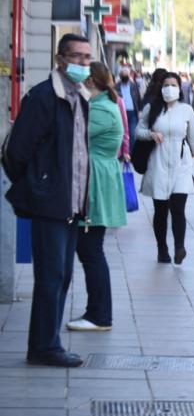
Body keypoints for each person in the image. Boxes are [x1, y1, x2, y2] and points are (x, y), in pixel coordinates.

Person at [3, 33, 92, 367]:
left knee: (63, 276)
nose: (83, 63)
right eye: (76, 57)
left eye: (87, 57)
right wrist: (39, 186)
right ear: (60, 59)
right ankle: (44, 346)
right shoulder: (44, 97)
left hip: (71, 205)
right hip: (51, 203)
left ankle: (48, 341)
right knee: (51, 276)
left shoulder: (80, 97)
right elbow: (15, 152)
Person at [68, 61, 127, 332]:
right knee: (90, 250)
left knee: (91, 251)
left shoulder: (101, 109)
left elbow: (71, 136)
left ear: (91, 81)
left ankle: (99, 315)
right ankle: (97, 313)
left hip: (95, 186)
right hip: (94, 182)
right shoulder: (102, 104)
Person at [136, 73, 194, 264]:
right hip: (157, 162)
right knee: (160, 210)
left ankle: (179, 247)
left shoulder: (186, 110)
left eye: (173, 84)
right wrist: (151, 134)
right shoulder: (152, 108)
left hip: (181, 163)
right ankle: (162, 249)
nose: (169, 88)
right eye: (166, 84)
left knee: (178, 208)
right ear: (160, 87)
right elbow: (138, 131)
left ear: (179, 87)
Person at [116, 65, 141, 142]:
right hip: (121, 113)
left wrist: (139, 110)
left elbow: (138, 98)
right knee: (122, 134)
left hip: (132, 113)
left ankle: (131, 153)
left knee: (132, 134)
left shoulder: (134, 85)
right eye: (123, 75)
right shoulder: (116, 87)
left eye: (126, 75)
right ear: (120, 76)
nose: (125, 77)